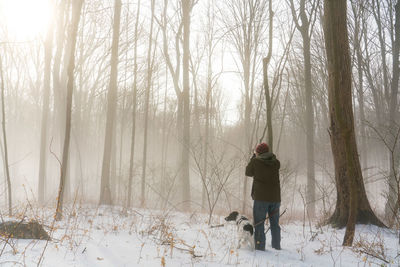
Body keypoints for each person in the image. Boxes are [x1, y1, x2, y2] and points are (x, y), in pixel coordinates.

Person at [245, 142, 281, 251]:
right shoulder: (276, 162)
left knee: (259, 223)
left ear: (258, 152)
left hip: (261, 199)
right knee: (275, 224)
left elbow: (248, 172)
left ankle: (260, 247)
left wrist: (253, 158)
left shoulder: (256, 161)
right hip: (275, 198)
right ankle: (276, 246)